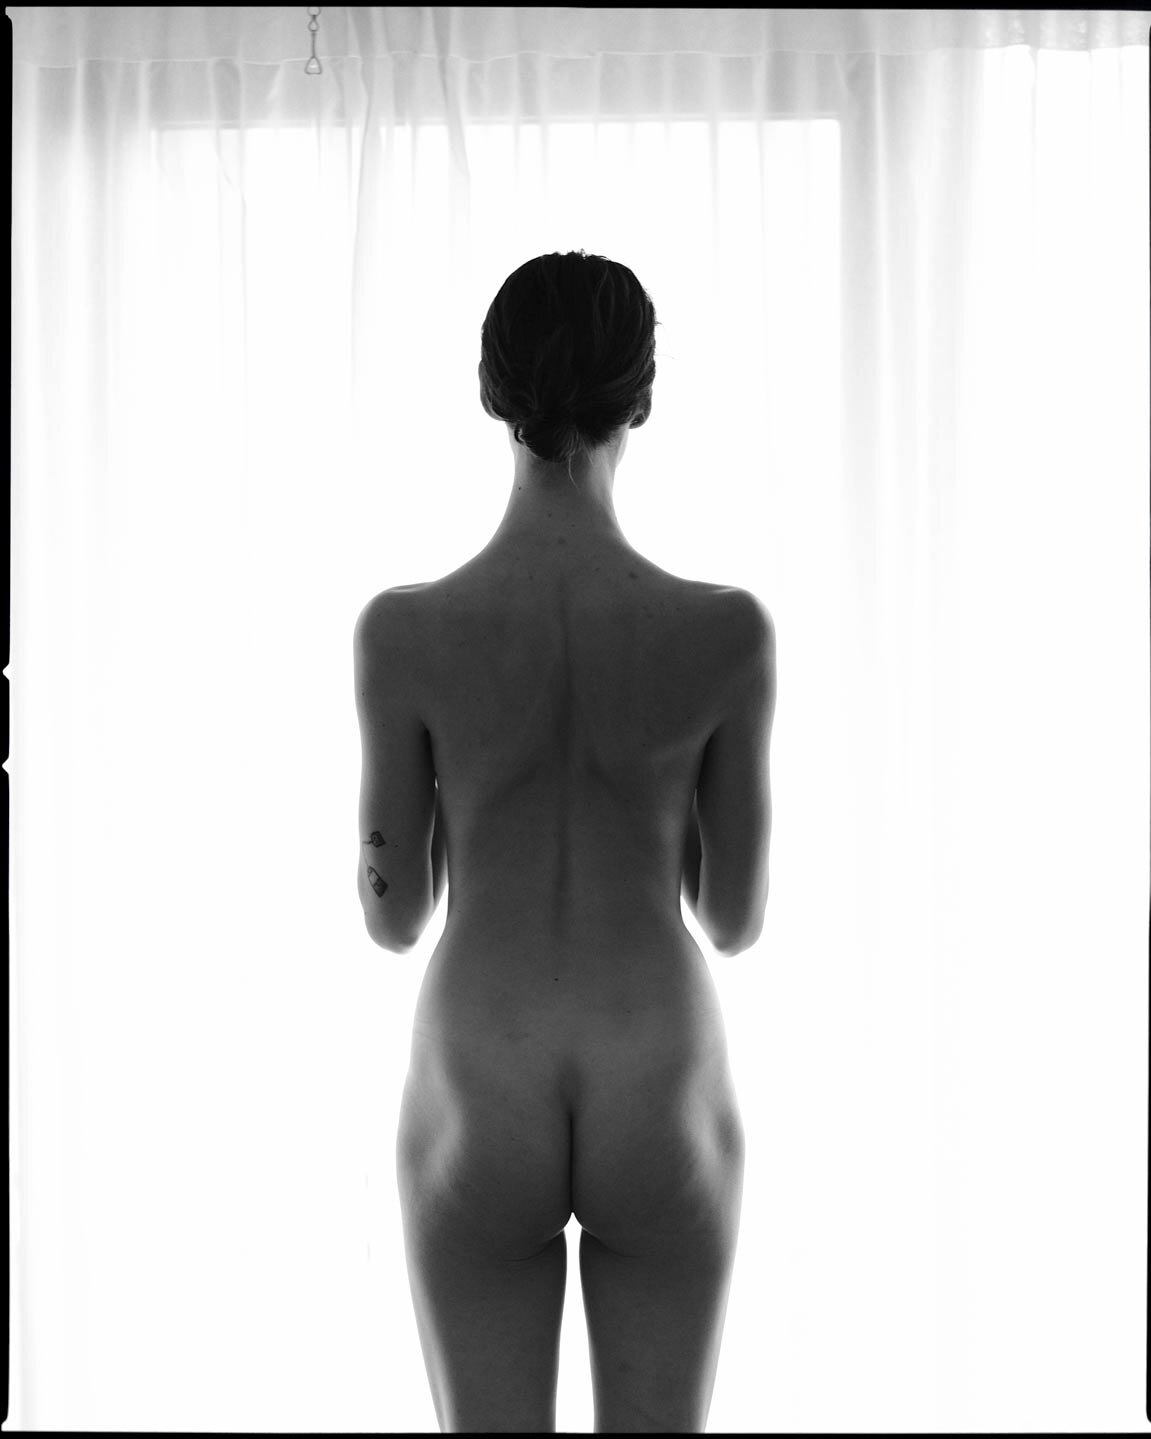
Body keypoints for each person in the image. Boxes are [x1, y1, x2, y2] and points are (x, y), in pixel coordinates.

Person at [353, 250, 775, 1433]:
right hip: (657, 1066)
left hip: (480, 1066)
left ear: (492, 393)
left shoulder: (405, 632)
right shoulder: (723, 632)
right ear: (641, 398)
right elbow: (732, 918)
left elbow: (393, 917)